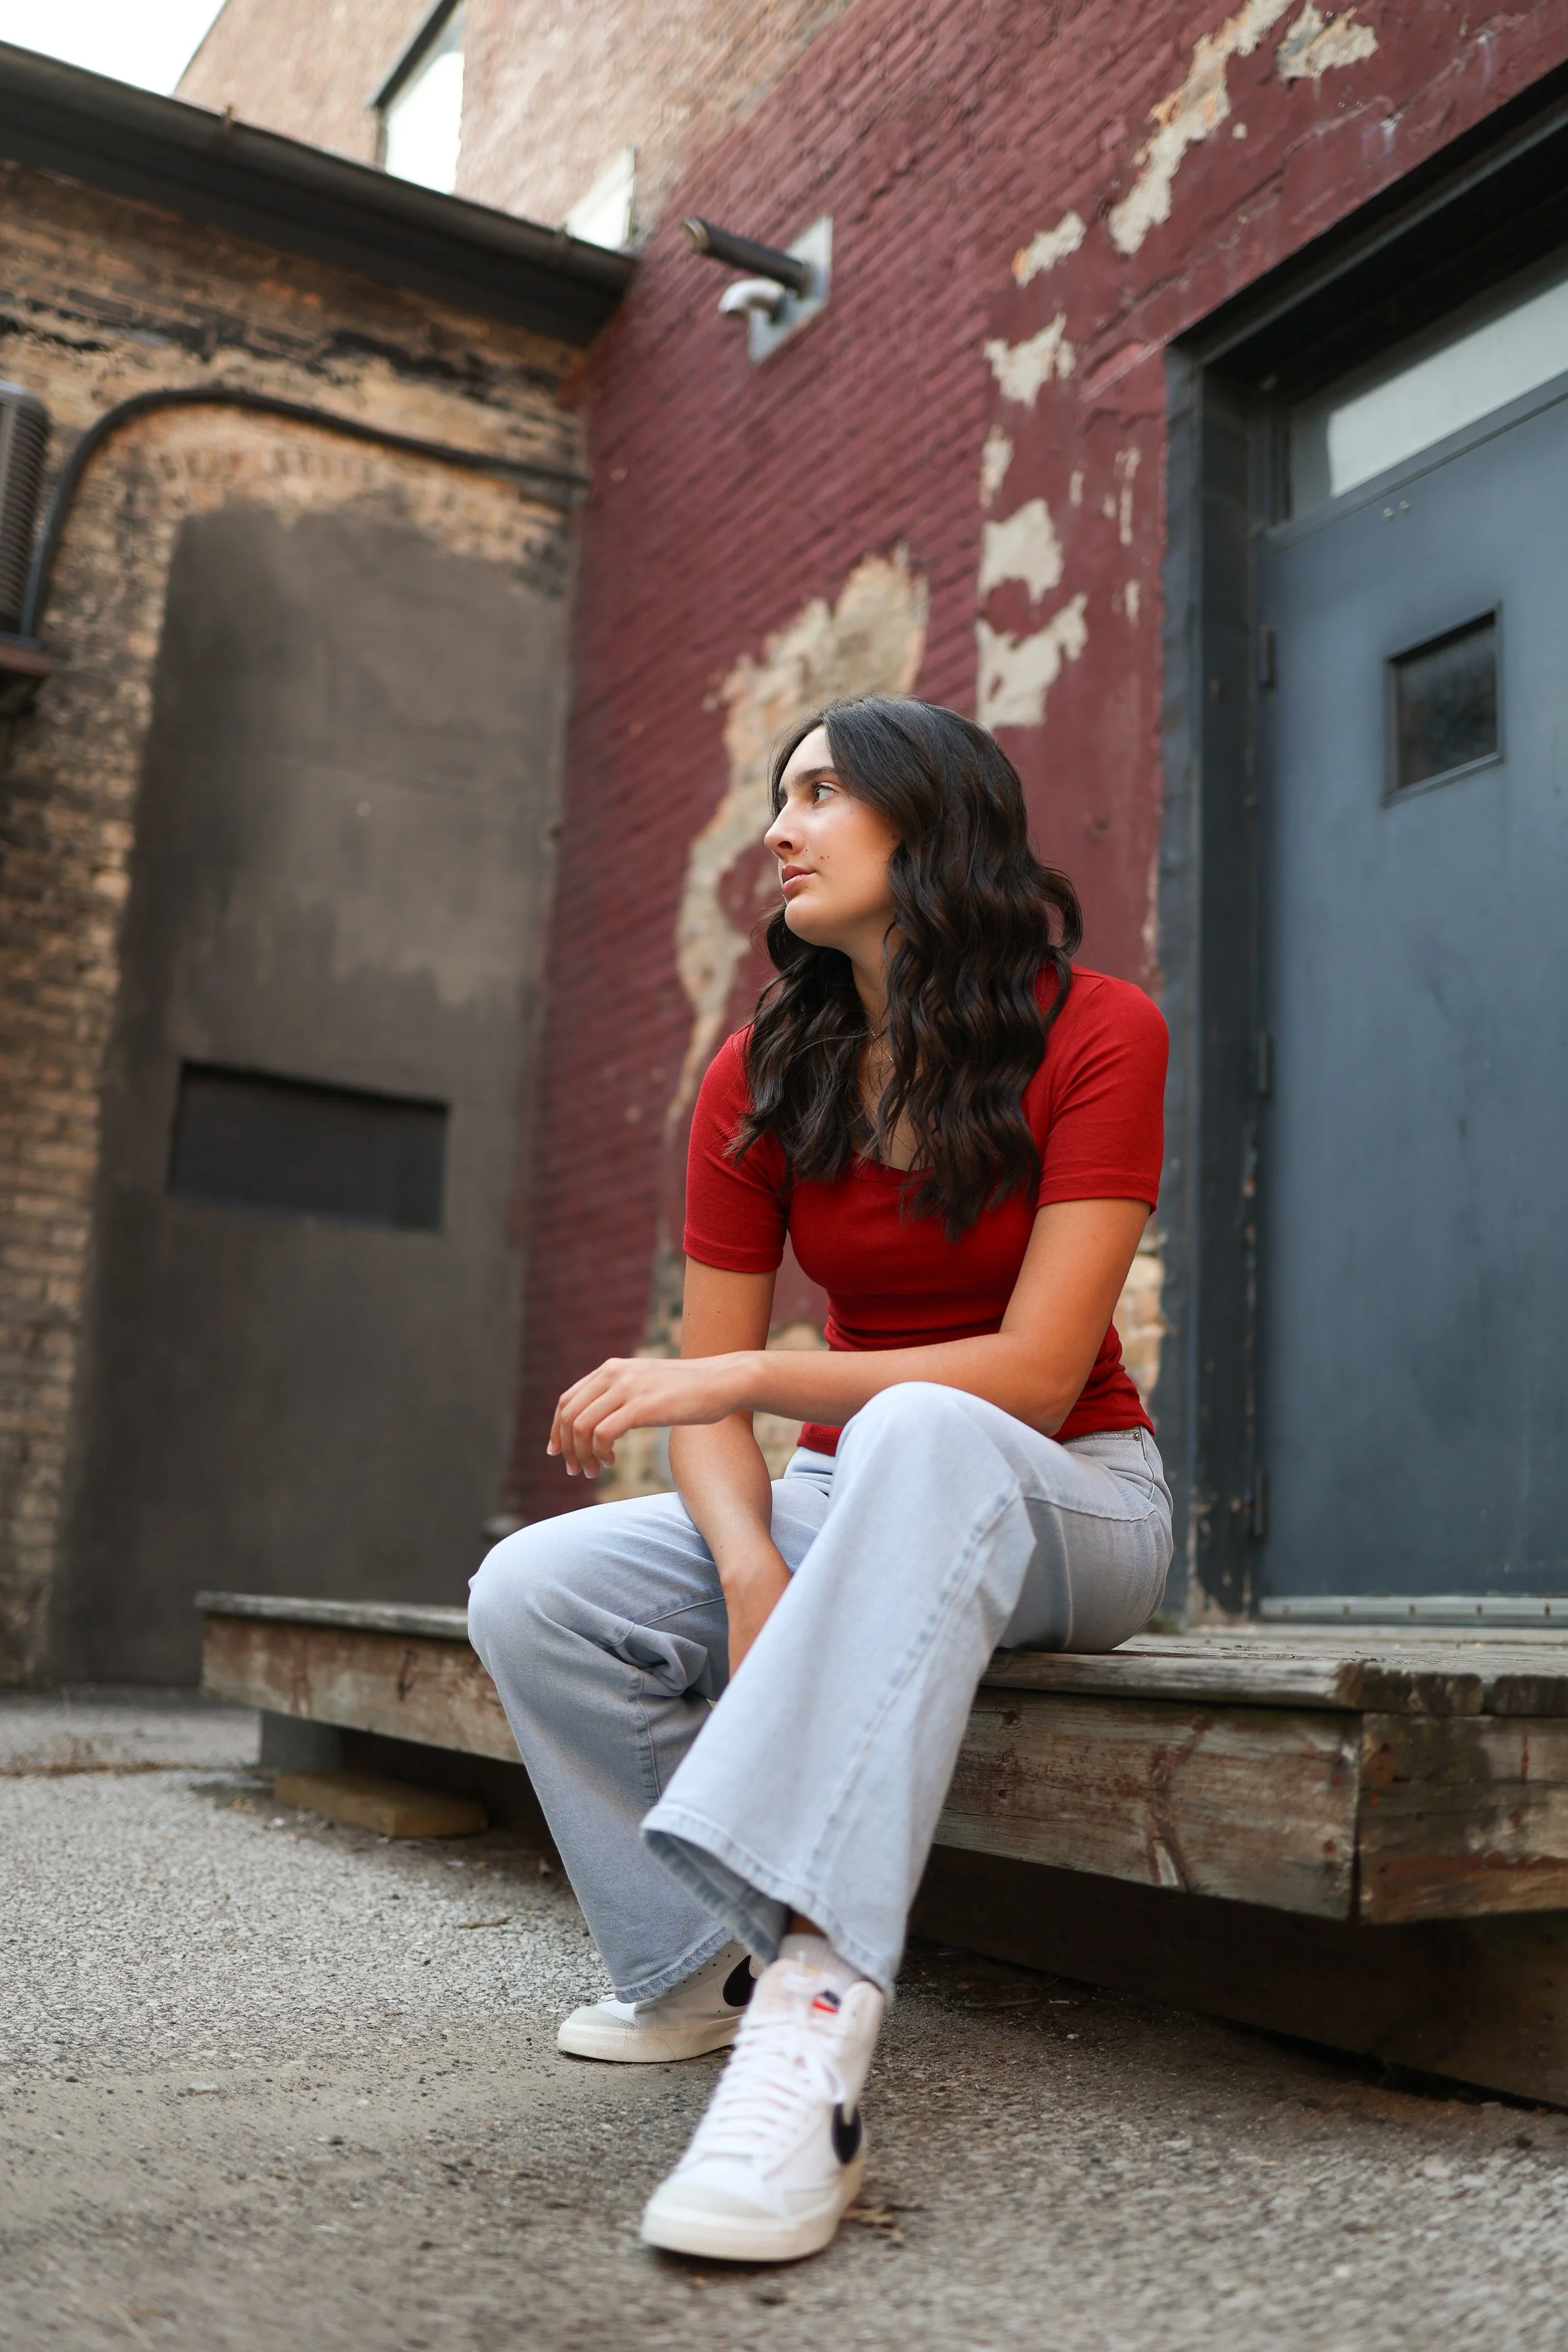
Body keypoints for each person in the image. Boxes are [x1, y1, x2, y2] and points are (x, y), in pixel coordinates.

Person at [469, 695, 1172, 2265]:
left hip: (1075, 1497)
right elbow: (707, 1410)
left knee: (918, 1425)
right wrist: (747, 1572)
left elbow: (1031, 1376)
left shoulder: (1099, 1029)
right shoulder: (760, 1073)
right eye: (777, 798)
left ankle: (814, 2016)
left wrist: (741, 1382)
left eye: (819, 793)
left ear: (935, 821)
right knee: (533, 1588)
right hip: (847, 1488)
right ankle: (694, 1970)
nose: (777, 830)